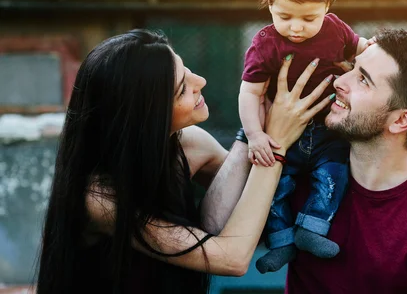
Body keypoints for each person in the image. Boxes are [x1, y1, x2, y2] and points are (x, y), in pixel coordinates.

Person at [36, 29, 333, 294]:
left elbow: (233, 213)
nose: (200, 81)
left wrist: (254, 131)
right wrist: (276, 143)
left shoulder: (189, 143)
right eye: (181, 89)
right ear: (148, 117)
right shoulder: (101, 200)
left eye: (186, 69)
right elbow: (232, 257)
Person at [209, 28, 407, 293]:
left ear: (401, 120)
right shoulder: (301, 167)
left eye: (363, 79)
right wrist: (257, 131)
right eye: (351, 67)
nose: (339, 81)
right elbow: (213, 227)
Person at [238, 0, 371, 274]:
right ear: (268, 1)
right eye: (284, 16)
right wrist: (255, 135)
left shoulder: (336, 30)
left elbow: (362, 50)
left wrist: (374, 50)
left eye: (308, 18)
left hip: (328, 130)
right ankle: (280, 241)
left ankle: (313, 229)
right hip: (284, 135)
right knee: (277, 186)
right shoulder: (265, 44)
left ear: (327, 6)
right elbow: (249, 92)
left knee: (333, 177)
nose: (295, 28)